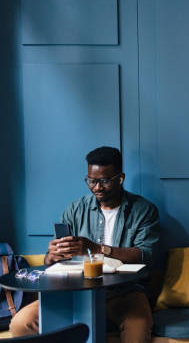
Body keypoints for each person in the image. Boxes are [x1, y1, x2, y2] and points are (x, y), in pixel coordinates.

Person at [10, 146, 160, 343]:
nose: (97, 187)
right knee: (21, 323)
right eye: (91, 181)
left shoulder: (144, 210)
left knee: (138, 329)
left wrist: (97, 249)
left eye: (104, 181)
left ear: (120, 178)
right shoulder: (75, 209)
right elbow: (51, 261)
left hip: (125, 292)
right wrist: (52, 256)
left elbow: (145, 255)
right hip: (75, 291)